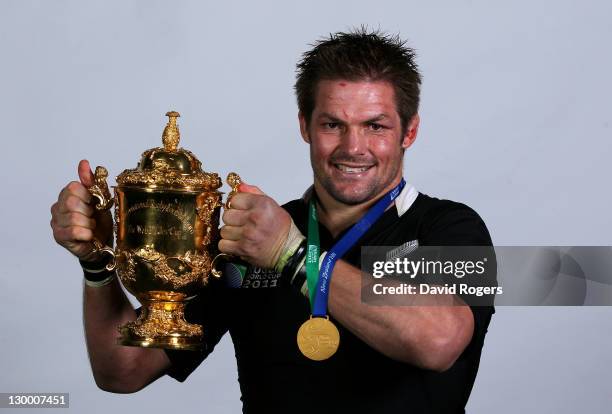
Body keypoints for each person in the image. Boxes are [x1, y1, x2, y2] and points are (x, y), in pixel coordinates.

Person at [50, 28, 494, 413]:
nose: (352, 147)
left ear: (409, 132)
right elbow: (122, 371)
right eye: (332, 124)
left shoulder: (452, 229)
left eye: (375, 126)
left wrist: (292, 254)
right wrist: (98, 265)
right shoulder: (249, 241)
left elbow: (439, 342)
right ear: (305, 125)